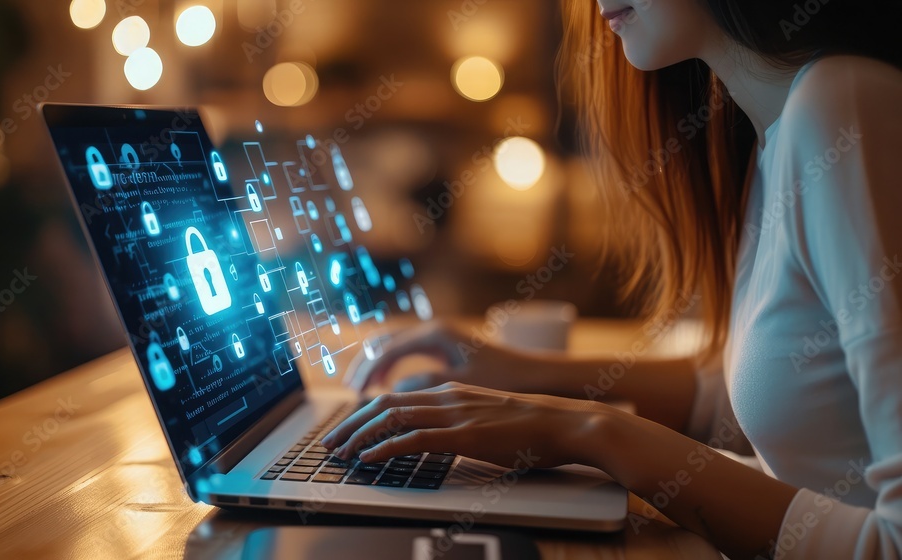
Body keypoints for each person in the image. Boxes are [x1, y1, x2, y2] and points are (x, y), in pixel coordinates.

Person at [322, 1, 902, 558]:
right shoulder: (773, 132)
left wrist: (593, 432)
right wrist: (528, 375)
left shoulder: (844, 107)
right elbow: (784, 400)